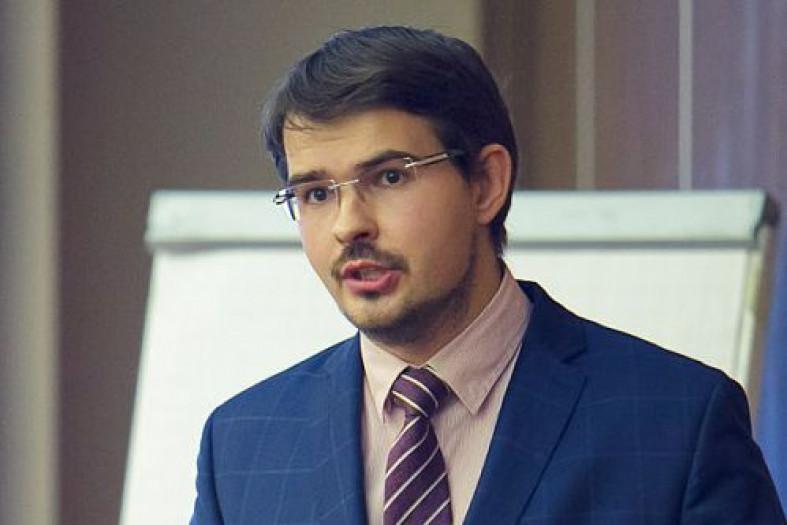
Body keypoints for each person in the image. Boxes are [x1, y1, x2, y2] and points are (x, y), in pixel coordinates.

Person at [190, 26, 784, 524]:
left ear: (485, 183)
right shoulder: (241, 446)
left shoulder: (675, 424)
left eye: (390, 177)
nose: (349, 225)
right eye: (317, 193)